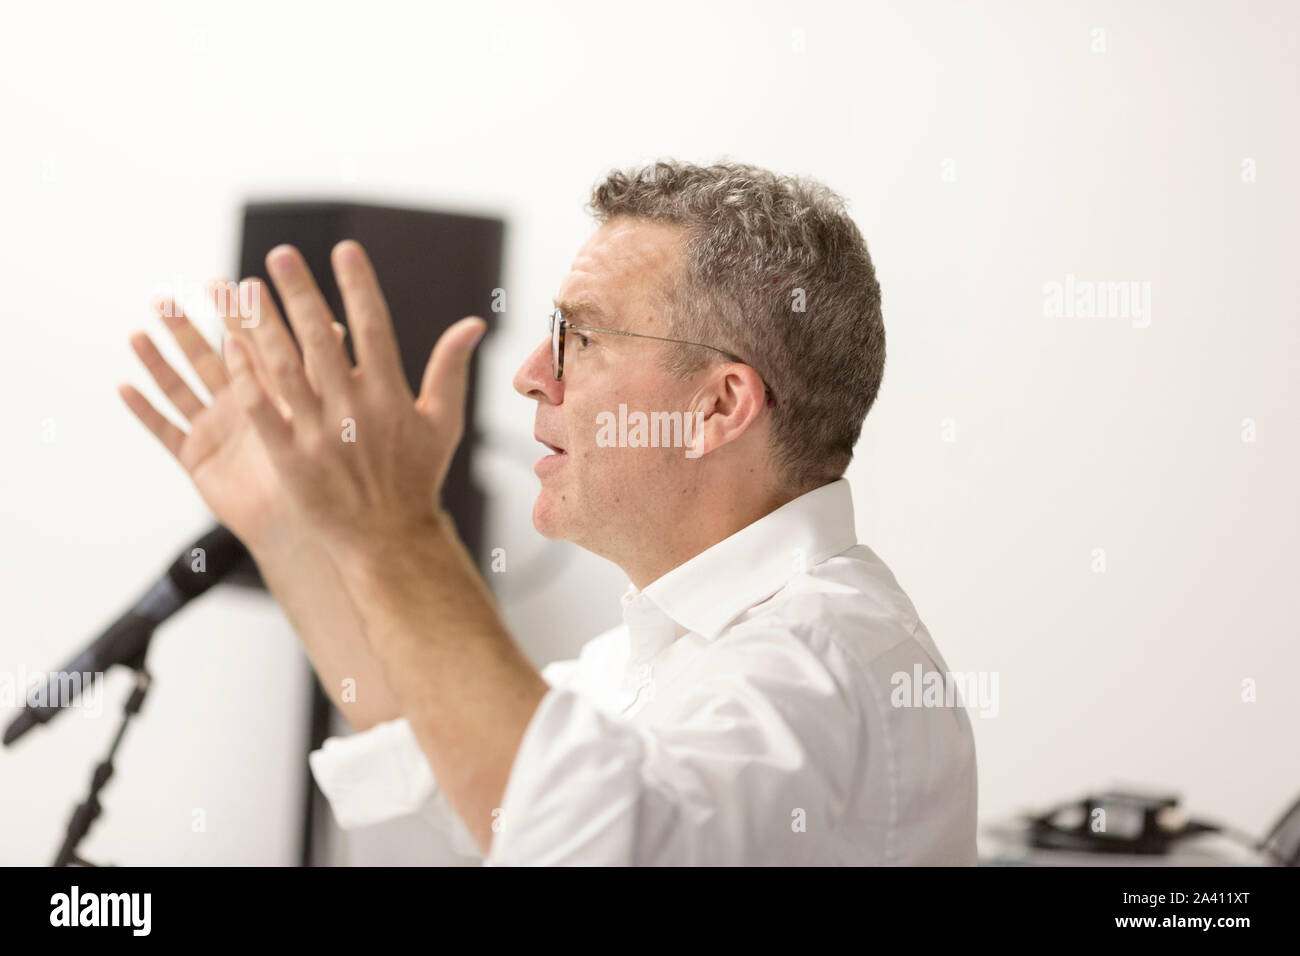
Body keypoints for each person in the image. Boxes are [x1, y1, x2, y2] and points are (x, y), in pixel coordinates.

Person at [120, 160, 977, 865]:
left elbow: (593, 843)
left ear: (719, 406)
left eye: (583, 336)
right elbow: (433, 746)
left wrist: (401, 534)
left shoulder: (821, 665)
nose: (533, 372)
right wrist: (290, 534)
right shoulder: (652, 656)